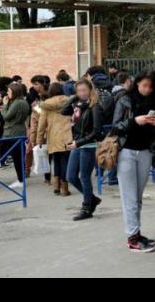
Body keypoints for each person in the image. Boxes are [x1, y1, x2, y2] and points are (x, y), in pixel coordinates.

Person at [112, 70, 155, 252]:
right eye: (144, 85)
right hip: (126, 151)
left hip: (145, 153)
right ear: (137, 84)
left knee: (138, 197)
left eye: (150, 86)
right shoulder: (125, 99)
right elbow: (115, 126)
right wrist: (135, 121)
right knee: (130, 197)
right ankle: (132, 237)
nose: (147, 90)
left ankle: (136, 233)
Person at [62, 79, 103, 222]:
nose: (81, 93)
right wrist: (73, 98)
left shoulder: (95, 107)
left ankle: (86, 208)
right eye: (78, 91)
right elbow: (63, 111)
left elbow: (97, 132)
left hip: (88, 146)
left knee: (84, 177)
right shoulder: (77, 105)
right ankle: (92, 199)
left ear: (90, 90)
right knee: (71, 176)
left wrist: (79, 143)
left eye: (84, 90)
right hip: (78, 144)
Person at [37, 83, 73, 197]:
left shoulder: (46, 106)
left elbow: (41, 124)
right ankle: (64, 188)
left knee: (56, 161)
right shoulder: (69, 101)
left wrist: (39, 139)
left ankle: (56, 187)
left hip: (53, 136)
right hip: (68, 135)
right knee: (65, 161)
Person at [2, 83, 30, 189]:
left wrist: (5, 105)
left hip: (12, 132)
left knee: (17, 157)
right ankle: (21, 178)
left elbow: (6, 116)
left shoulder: (16, 103)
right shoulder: (24, 102)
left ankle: (21, 180)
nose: (7, 93)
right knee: (19, 157)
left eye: (9, 91)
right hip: (20, 130)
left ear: (14, 92)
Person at [28, 75, 51, 184]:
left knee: (50, 156)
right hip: (46, 133)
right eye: (33, 84)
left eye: (36, 84)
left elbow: (36, 124)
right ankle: (49, 177)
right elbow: (34, 125)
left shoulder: (48, 98)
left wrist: (34, 140)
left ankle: (52, 178)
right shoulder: (32, 95)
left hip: (49, 132)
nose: (34, 86)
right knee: (47, 156)